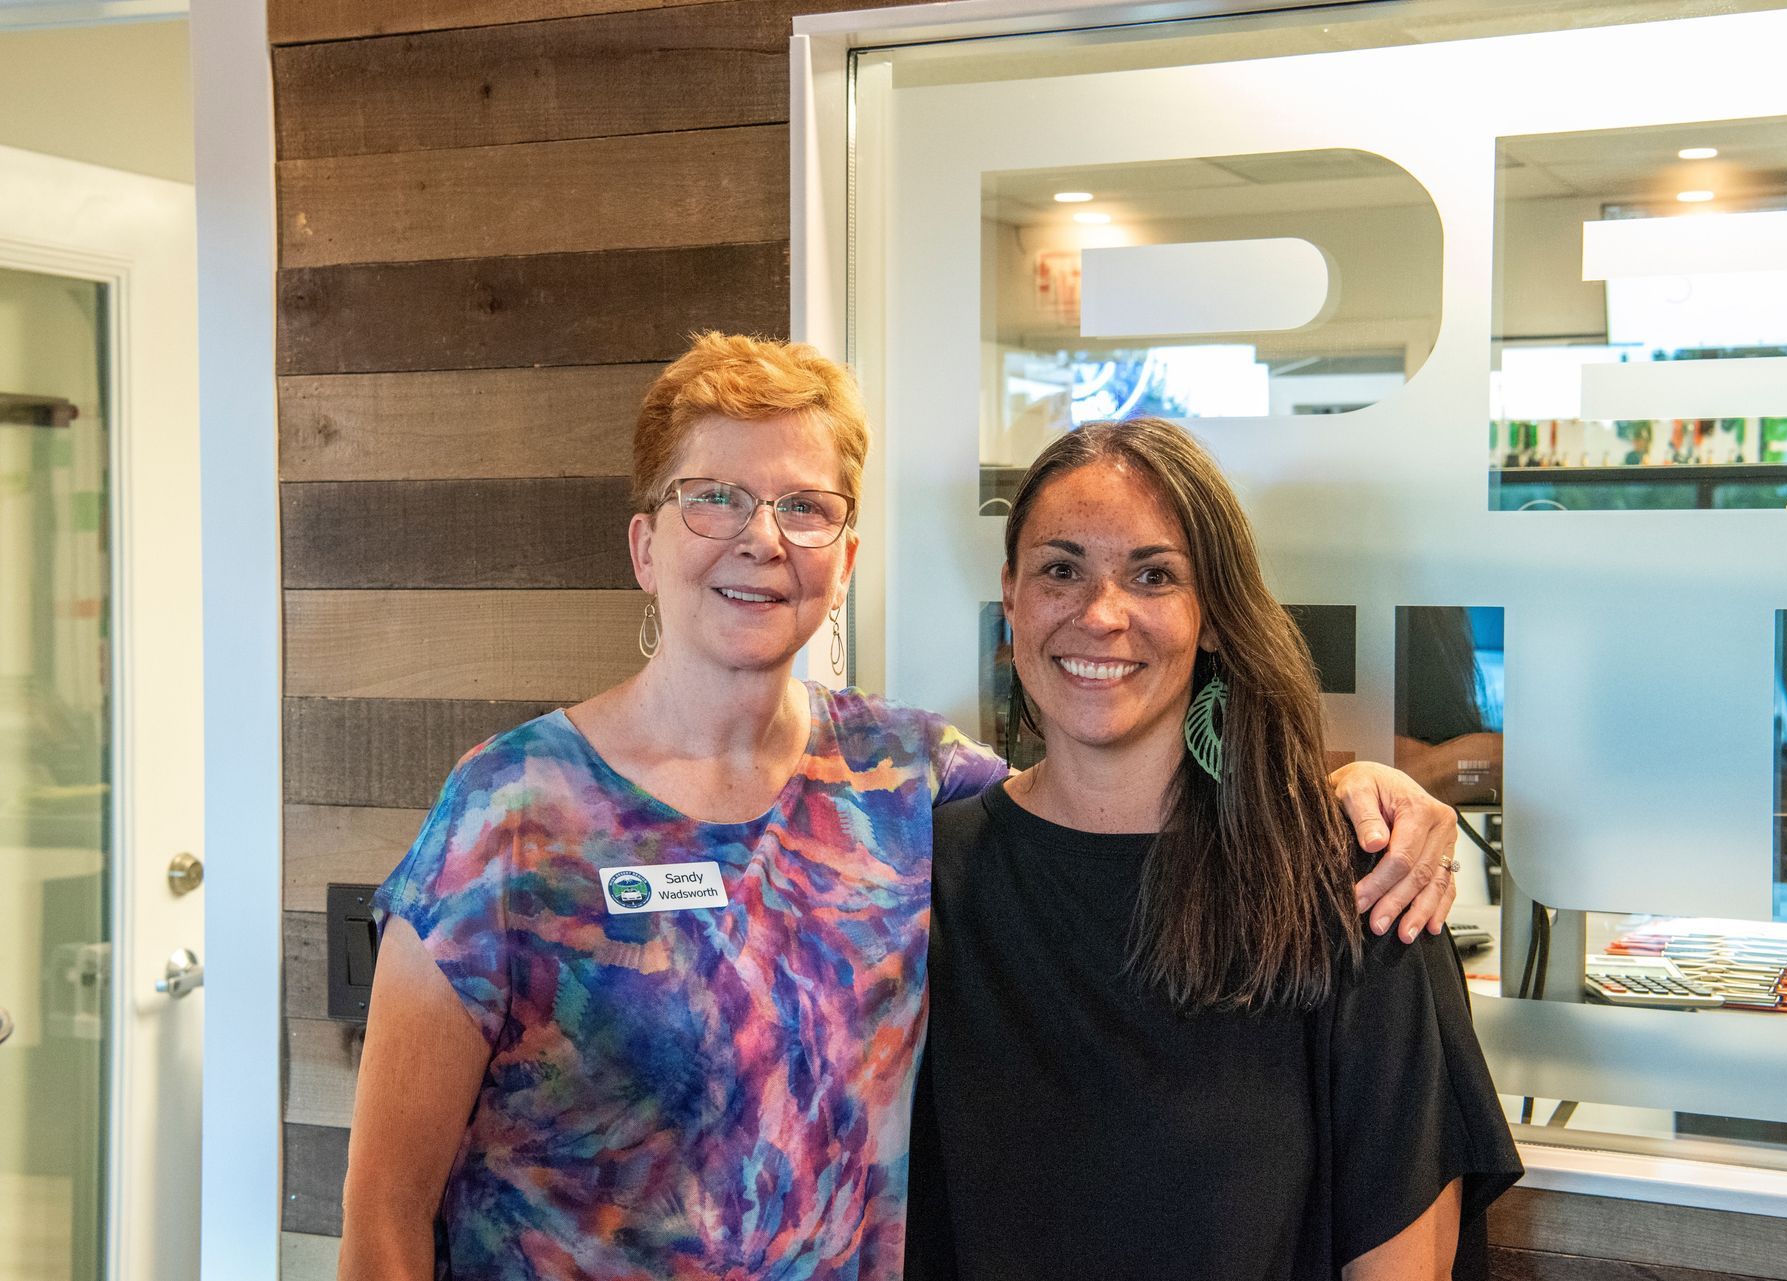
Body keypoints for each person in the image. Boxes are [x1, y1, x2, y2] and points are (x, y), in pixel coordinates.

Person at [338, 335, 1466, 1281]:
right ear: (645, 543)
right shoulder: (512, 809)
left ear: (844, 559)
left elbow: (1105, 788)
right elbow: (383, 1214)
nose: (760, 538)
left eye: (803, 506)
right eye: (715, 497)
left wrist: (1355, 794)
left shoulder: (903, 781)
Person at [908, 418, 1523, 1281]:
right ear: (1011, 597)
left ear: (1214, 619)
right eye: (1061, 569)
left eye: (1153, 575)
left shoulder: (1350, 887)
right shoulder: (919, 881)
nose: (1101, 614)